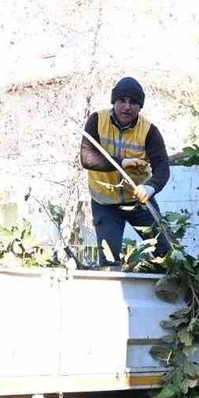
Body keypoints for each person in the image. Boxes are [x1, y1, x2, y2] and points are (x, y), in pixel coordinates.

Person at [79, 77, 171, 264]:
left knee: (167, 253)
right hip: (104, 203)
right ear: (114, 102)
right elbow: (87, 158)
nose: (127, 107)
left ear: (140, 106)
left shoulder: (150, 131)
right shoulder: (96, 120)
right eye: (122, 100)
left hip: (139, 201)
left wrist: (150, 188)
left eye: (133, 102)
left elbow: (163, 167)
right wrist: (122, 162)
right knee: (110, 261)